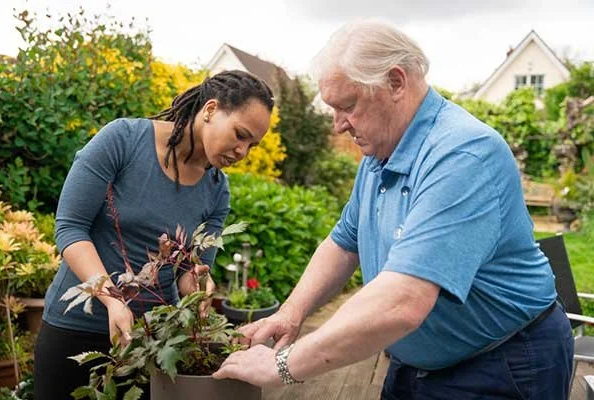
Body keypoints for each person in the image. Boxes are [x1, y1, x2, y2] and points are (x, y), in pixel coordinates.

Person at [213, 21, 575, 399]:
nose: (338, 126)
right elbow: (345, 241)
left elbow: (403, 301)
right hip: (417, 364)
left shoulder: (462, 155)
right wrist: (290, 313)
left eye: (348, 106)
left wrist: (282, 364)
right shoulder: (381, 152)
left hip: (501, 363)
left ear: (396, 82)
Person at [34, 70, 274, 400]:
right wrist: (113, 299)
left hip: (152, 345)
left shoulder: (217, 189)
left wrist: (200, 289)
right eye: (240, 134)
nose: (243, 151)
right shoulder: (123, 140)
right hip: (75, 329)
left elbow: (190, 271)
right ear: (210, 110)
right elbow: (70, 228)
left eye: (252, 145)